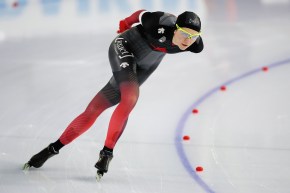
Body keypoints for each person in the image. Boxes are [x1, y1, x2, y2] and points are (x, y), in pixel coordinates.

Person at [23, 9, 204, 180]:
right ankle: (107, 152)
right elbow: (140, 14)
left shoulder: (194, 45)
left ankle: (51, 149)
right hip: (125, 47)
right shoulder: (160, 22)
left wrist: (191, 38)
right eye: (184, 34)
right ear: (175, 28)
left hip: (145, 66)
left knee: (96, 108)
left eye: (193, 36)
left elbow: (189, 41)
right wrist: (125, 23)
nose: (188, 40)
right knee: (130, 97)